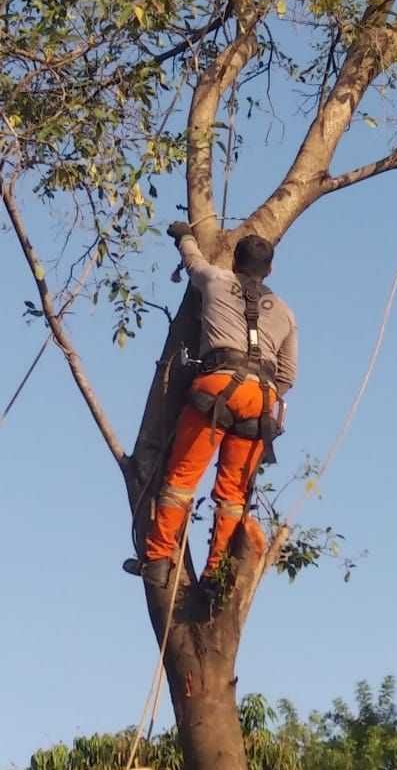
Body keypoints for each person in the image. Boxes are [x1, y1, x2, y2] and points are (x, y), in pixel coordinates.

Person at [127, 221, 298, 590]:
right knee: (233, 497)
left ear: (236, 261)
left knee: (180, 481)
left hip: (217, 387)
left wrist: (183, 234)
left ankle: (156, 560)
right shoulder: (284, 312)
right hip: (262, 400)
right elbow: (289, 375)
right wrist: (259, 390)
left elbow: (193, 262)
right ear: (270, 270)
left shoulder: (217, 280)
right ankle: (214, 576)